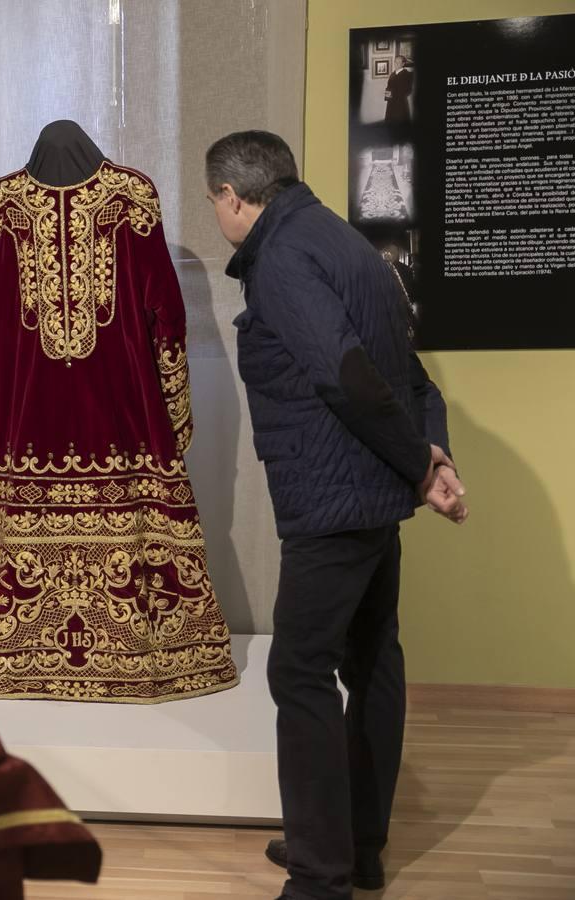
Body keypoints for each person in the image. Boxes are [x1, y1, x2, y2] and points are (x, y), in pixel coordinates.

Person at [205, 130, 467, 900]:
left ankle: (322, 878)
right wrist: (431, 458)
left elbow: (351, 378)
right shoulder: (350, 245)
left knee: (299, 669)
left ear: (231, 195)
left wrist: (422, 465)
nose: (216, 212)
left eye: (213, 200)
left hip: (333, 502)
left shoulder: (284, 259)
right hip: (373, 495)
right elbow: (414, 378)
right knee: (373, 658)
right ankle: (357, 845)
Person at [384, 55, 414, 125]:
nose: (396, 64)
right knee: (391, 120)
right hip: (391, 101)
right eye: (395, 62)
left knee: (400, 120)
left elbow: (409, 90)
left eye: (398, 62)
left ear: (403, 64)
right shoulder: (392, 74)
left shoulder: (407, 74)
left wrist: (399, 96)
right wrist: (388, 97)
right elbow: (389, 87)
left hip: (400, 102)